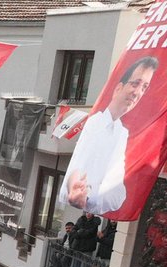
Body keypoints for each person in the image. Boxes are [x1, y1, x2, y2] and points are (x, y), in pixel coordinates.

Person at [60, 56, 158, 214]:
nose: (137, 93)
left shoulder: (121, 133)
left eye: (144, 87)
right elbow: (77, 167)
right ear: (119, 88)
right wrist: (80, 189)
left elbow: (118, 196)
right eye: (135, 84)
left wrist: (89, 193)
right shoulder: (94, 123)